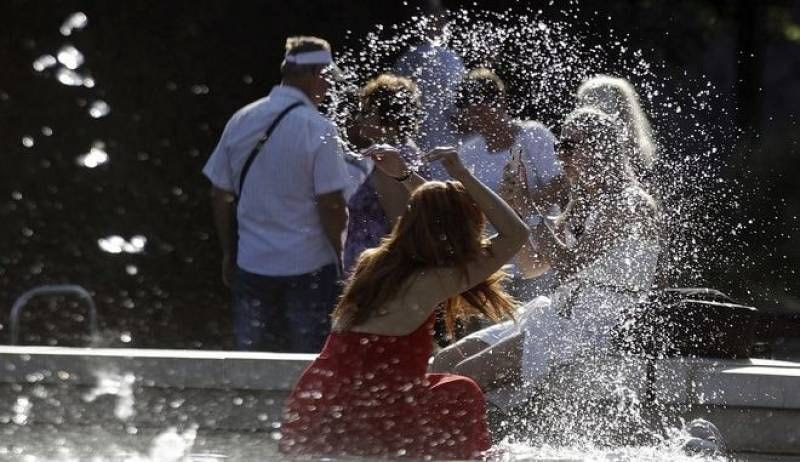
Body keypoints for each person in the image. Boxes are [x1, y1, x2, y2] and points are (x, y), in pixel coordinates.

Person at [279, 145, 529, 459]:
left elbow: (435, 214)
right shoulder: (435, 280)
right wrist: (461, 174)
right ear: (459, 233)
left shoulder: (373, 264)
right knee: (460, 390)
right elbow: (516, 233)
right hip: (370, 414)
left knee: (441, 383)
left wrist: (406, 177)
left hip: (315, 405)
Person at [431, 108, 661, 397]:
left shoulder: (630, 204)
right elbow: (533, 267)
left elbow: (569, 267)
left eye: (568, 147)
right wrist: (519, 210)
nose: (559, 156)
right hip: (559, 314)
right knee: (444, 362)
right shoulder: (581, 201)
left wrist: (533, 212)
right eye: (557, 146)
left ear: (599, 148)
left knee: (466, 376)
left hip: (595, 325)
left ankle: (469, 439)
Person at [202, 36, 351, 352]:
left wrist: (229, 251)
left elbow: (219, 193)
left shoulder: (242, 118)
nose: (329, 89)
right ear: (314, 75)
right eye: (327, 79)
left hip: (252, 263)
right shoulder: (319, 128)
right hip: (310, 266)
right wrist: (340, 257)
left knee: (255, 366)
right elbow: (332, 203)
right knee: (307, 367)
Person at [454, 67, 568, 300]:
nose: (479, 118)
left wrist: (518, 205)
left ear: (501, 102)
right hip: (496, 262)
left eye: (484, 109)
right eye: (473, 112)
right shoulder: (467, 153)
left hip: (541, 251)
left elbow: (562, 184)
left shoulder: (534, 135)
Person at [343, 73, 429, 271]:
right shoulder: (405, 151)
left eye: (367, 111)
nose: (360, 118)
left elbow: (400, 224)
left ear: (386, 117)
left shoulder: (389, 160)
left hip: (379, 273)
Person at [394, 5, 466, 172]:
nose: (440, 25)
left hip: (418, 140)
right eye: (438, 20)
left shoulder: (406, 59)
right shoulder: (450, 59)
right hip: (441, 138)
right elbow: (457, 107)